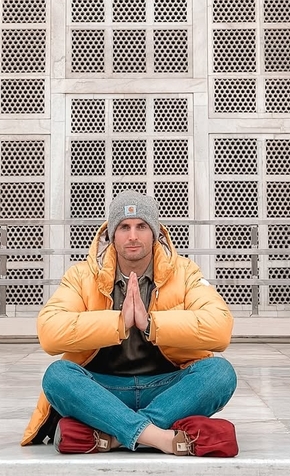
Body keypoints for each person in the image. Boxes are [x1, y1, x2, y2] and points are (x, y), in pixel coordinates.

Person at [20, 190, 238, 456]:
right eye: (124, 227)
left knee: (219, 373)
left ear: (155, 233)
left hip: (167, 391)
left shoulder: (184, 272)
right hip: (104, 392)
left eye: (141, 226)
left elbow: (220, 327)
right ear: (112, 234)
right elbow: (50, 332)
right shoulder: (81, 275)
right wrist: (118, 323)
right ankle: (158, 436)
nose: (133, 236)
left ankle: (115, 436)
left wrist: (151, 324)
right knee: (57, 376)